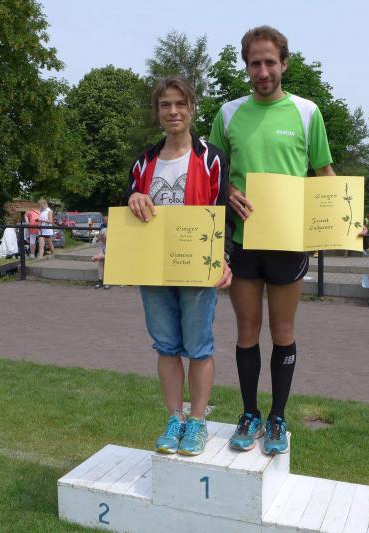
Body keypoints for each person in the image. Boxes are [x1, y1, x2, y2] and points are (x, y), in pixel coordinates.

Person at [209, 26, 363, 455]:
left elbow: (325, 174)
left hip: (289, 242)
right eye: (254, 63)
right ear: (246, 66)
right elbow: (213, 174)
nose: (263, 71)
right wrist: (228, 191)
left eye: (270, 62)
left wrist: (349, 222)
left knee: (282, 331)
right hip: (243, 241)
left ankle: (277, 417)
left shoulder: (307, 112)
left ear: (284, 64)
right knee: (247, 330)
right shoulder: (227, 114)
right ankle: (249, 414)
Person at [126, 76, 231, 456]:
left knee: (199, 346)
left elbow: (222, 212)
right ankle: (174, 419)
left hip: (196, 267)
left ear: (192, 108)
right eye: (165, 104)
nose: (173, 111)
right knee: (166, 346)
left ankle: (197, 421)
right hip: (153, 268)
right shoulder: (144, 161)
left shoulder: (212, 158)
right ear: (157, 111)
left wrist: (224, 258)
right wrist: (134, 197)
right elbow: (129, 205)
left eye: (180, 104)